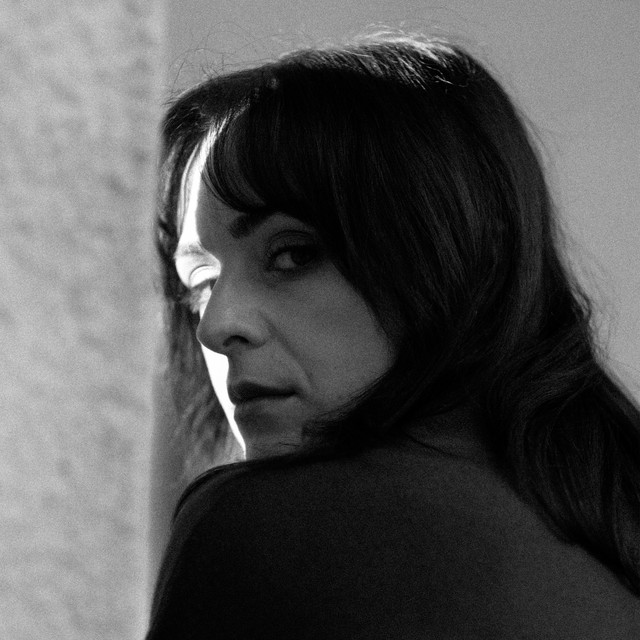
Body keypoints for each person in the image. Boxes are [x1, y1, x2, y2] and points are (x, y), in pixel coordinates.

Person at [146, 33, 640, 638]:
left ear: (449, 256)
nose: (217, 327)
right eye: (200, 282)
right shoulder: (605, 536)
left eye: (293, 254)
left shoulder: (269, 525)